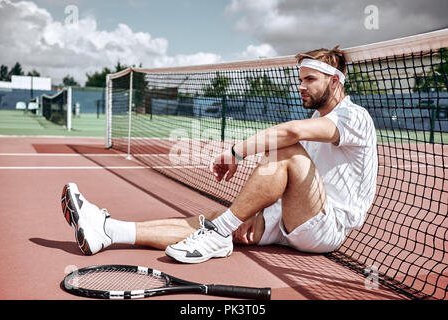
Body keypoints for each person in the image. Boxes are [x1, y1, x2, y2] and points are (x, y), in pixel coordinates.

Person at [61, 46, 378, 263]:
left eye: (310, 79)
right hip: (294, 218)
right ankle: (108, 230)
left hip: (327, 228)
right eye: (300, 80)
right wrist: (253, 214)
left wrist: (235, 152)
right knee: (209, 221)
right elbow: (290, 183)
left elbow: (290, 138)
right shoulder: (315, 122)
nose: (301, 87)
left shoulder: (355, 118)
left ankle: (218, 234)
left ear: (336, 81)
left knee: (284, 149)